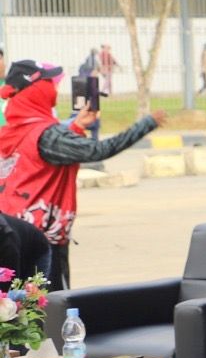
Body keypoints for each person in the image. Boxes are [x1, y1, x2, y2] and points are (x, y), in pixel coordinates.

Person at [0, 61, 163, 289]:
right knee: (49, 305)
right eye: (50, 83)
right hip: (41, 238)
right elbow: (98, 150)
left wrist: (76, 127)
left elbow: (40, 157)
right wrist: (147, 124)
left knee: (12, 304)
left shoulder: (12, 129)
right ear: (38, 91)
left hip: (10, 230)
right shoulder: (48, 135)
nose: (54, 89)